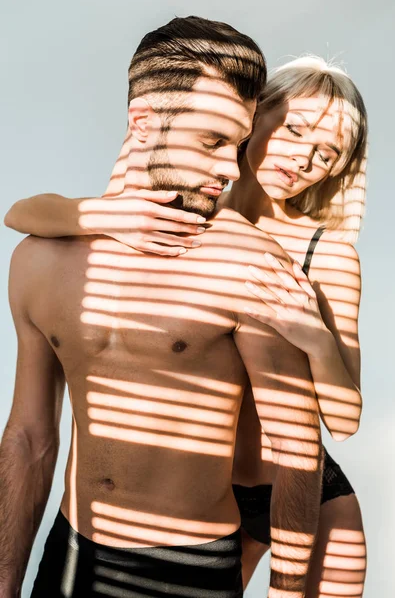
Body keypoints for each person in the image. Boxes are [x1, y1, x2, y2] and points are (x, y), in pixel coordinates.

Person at [6, 55, 368, 597]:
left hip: (300, 488)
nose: (304, 158)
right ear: (254, 117)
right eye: (294, 130)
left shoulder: (326, 253)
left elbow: (342, 421)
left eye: (327, 155)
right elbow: (22, 214)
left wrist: (313, 335)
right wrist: (99, 215)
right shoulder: (188, 209)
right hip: (210, 496)